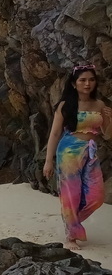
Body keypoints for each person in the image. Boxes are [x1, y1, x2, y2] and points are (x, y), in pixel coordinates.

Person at [43, 64, 112, 250]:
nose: (87, 83)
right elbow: (55, 133)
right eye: (82, 80)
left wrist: (109, 119)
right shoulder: (66, 106)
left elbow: (107, 134)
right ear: (74, 84)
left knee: (96, 197)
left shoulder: (99, 105)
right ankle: (71, 236)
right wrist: (48, 160)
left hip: (90, 152)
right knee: (70, 194)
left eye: (91, 79)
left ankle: (71, 221)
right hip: (69, 151)